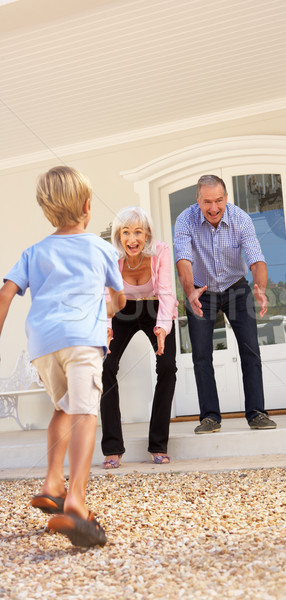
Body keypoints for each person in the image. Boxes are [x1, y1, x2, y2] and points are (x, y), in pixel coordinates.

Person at [0, 166, 126, 547]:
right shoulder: (102, 248)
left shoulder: (34, 251)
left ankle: (53, 481)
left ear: (46, 210)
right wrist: (109, 309)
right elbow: (119, 298)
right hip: (81, 341)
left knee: (63, 409)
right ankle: (75, 501)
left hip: (42, 344)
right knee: (87, 412)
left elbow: (6, 293)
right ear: (88, 206)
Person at [174, 174, 277, 434]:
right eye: (207, 201)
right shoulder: (185, 220)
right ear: (197, 200)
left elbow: (255, 257)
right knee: (201, 355)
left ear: (226, 198)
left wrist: (260, 288)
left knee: (250, 349)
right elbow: (183, 260)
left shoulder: (240, 218)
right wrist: (190, 292)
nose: (213, 207)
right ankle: (210, 417)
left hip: (235, 286)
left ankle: (257, 413)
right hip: (201, 289)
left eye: (219, 200)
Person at [100, 206, 178, 466]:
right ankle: (112, 448)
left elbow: (166, 292)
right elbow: (106, 295)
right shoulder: (111, 257)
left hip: (156, 308)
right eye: (125, 232)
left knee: (167, 366)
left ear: (147, 234)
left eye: (138, 232)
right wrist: (107, 328)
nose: (132, 239)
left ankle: (158, 444)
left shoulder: (161, 251)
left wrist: (162, 328)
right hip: (122, 309)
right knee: (106, 365)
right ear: (118, 235)